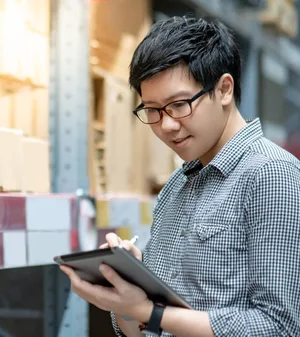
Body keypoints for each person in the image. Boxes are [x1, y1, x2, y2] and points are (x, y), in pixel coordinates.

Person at [60, 16, 300, 337]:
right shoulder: (177, 185)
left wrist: (150, 312)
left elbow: (279, 327)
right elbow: (141, 332)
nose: (167, 125)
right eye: (153, 111)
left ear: (224, 89)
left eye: (178, 105)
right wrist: (129, 293)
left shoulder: (271, 176)